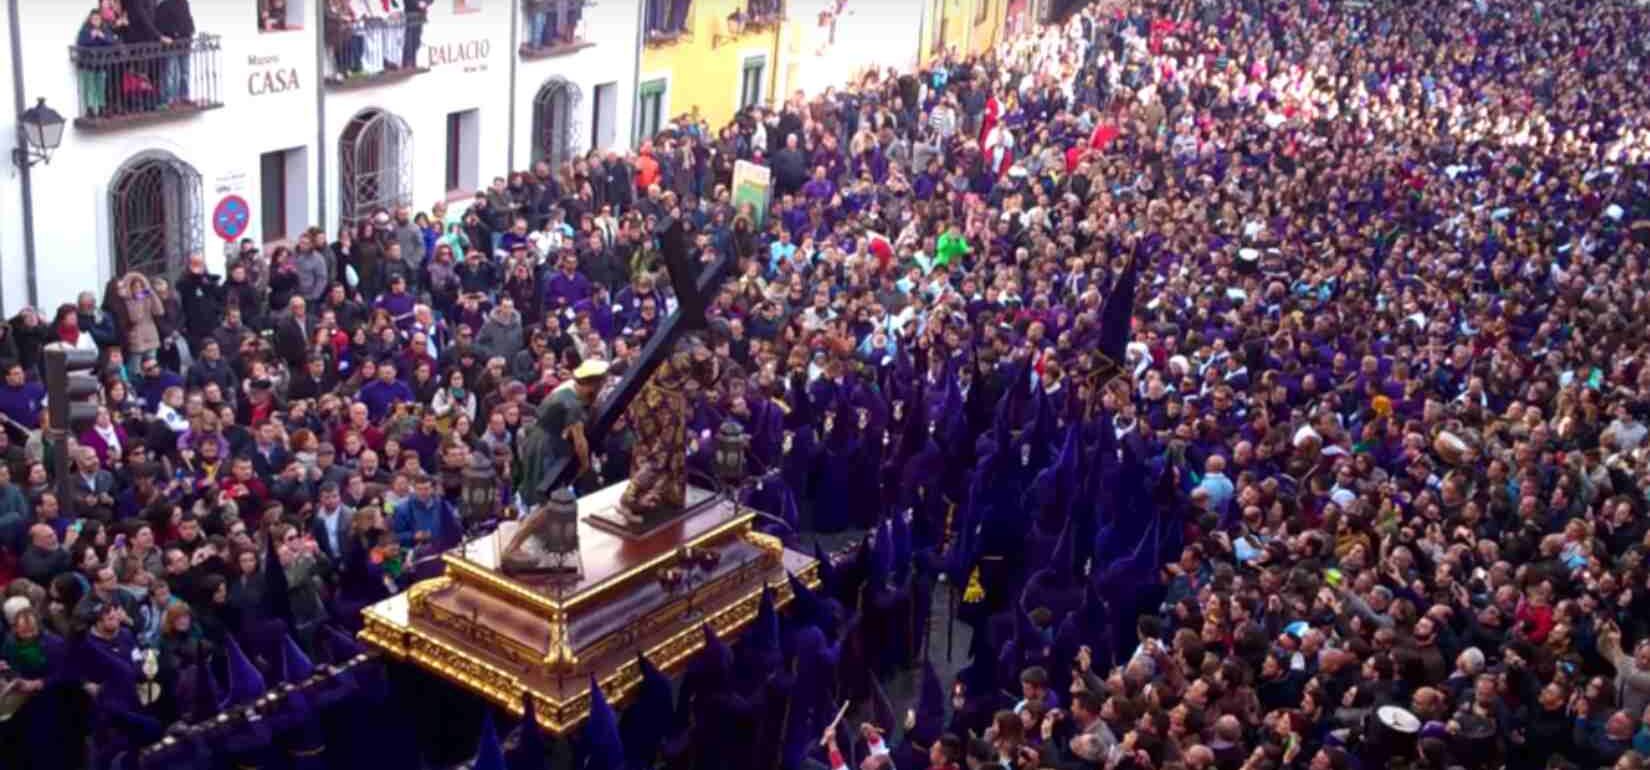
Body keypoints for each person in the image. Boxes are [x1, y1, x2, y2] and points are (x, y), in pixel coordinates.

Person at [517, 358, 607, 505]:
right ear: (591, 385)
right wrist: (585, 464)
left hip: (539, 438)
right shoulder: (572, 405)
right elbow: (580, 441)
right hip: (547, 447)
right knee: (545, 490)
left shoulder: (568, 387)